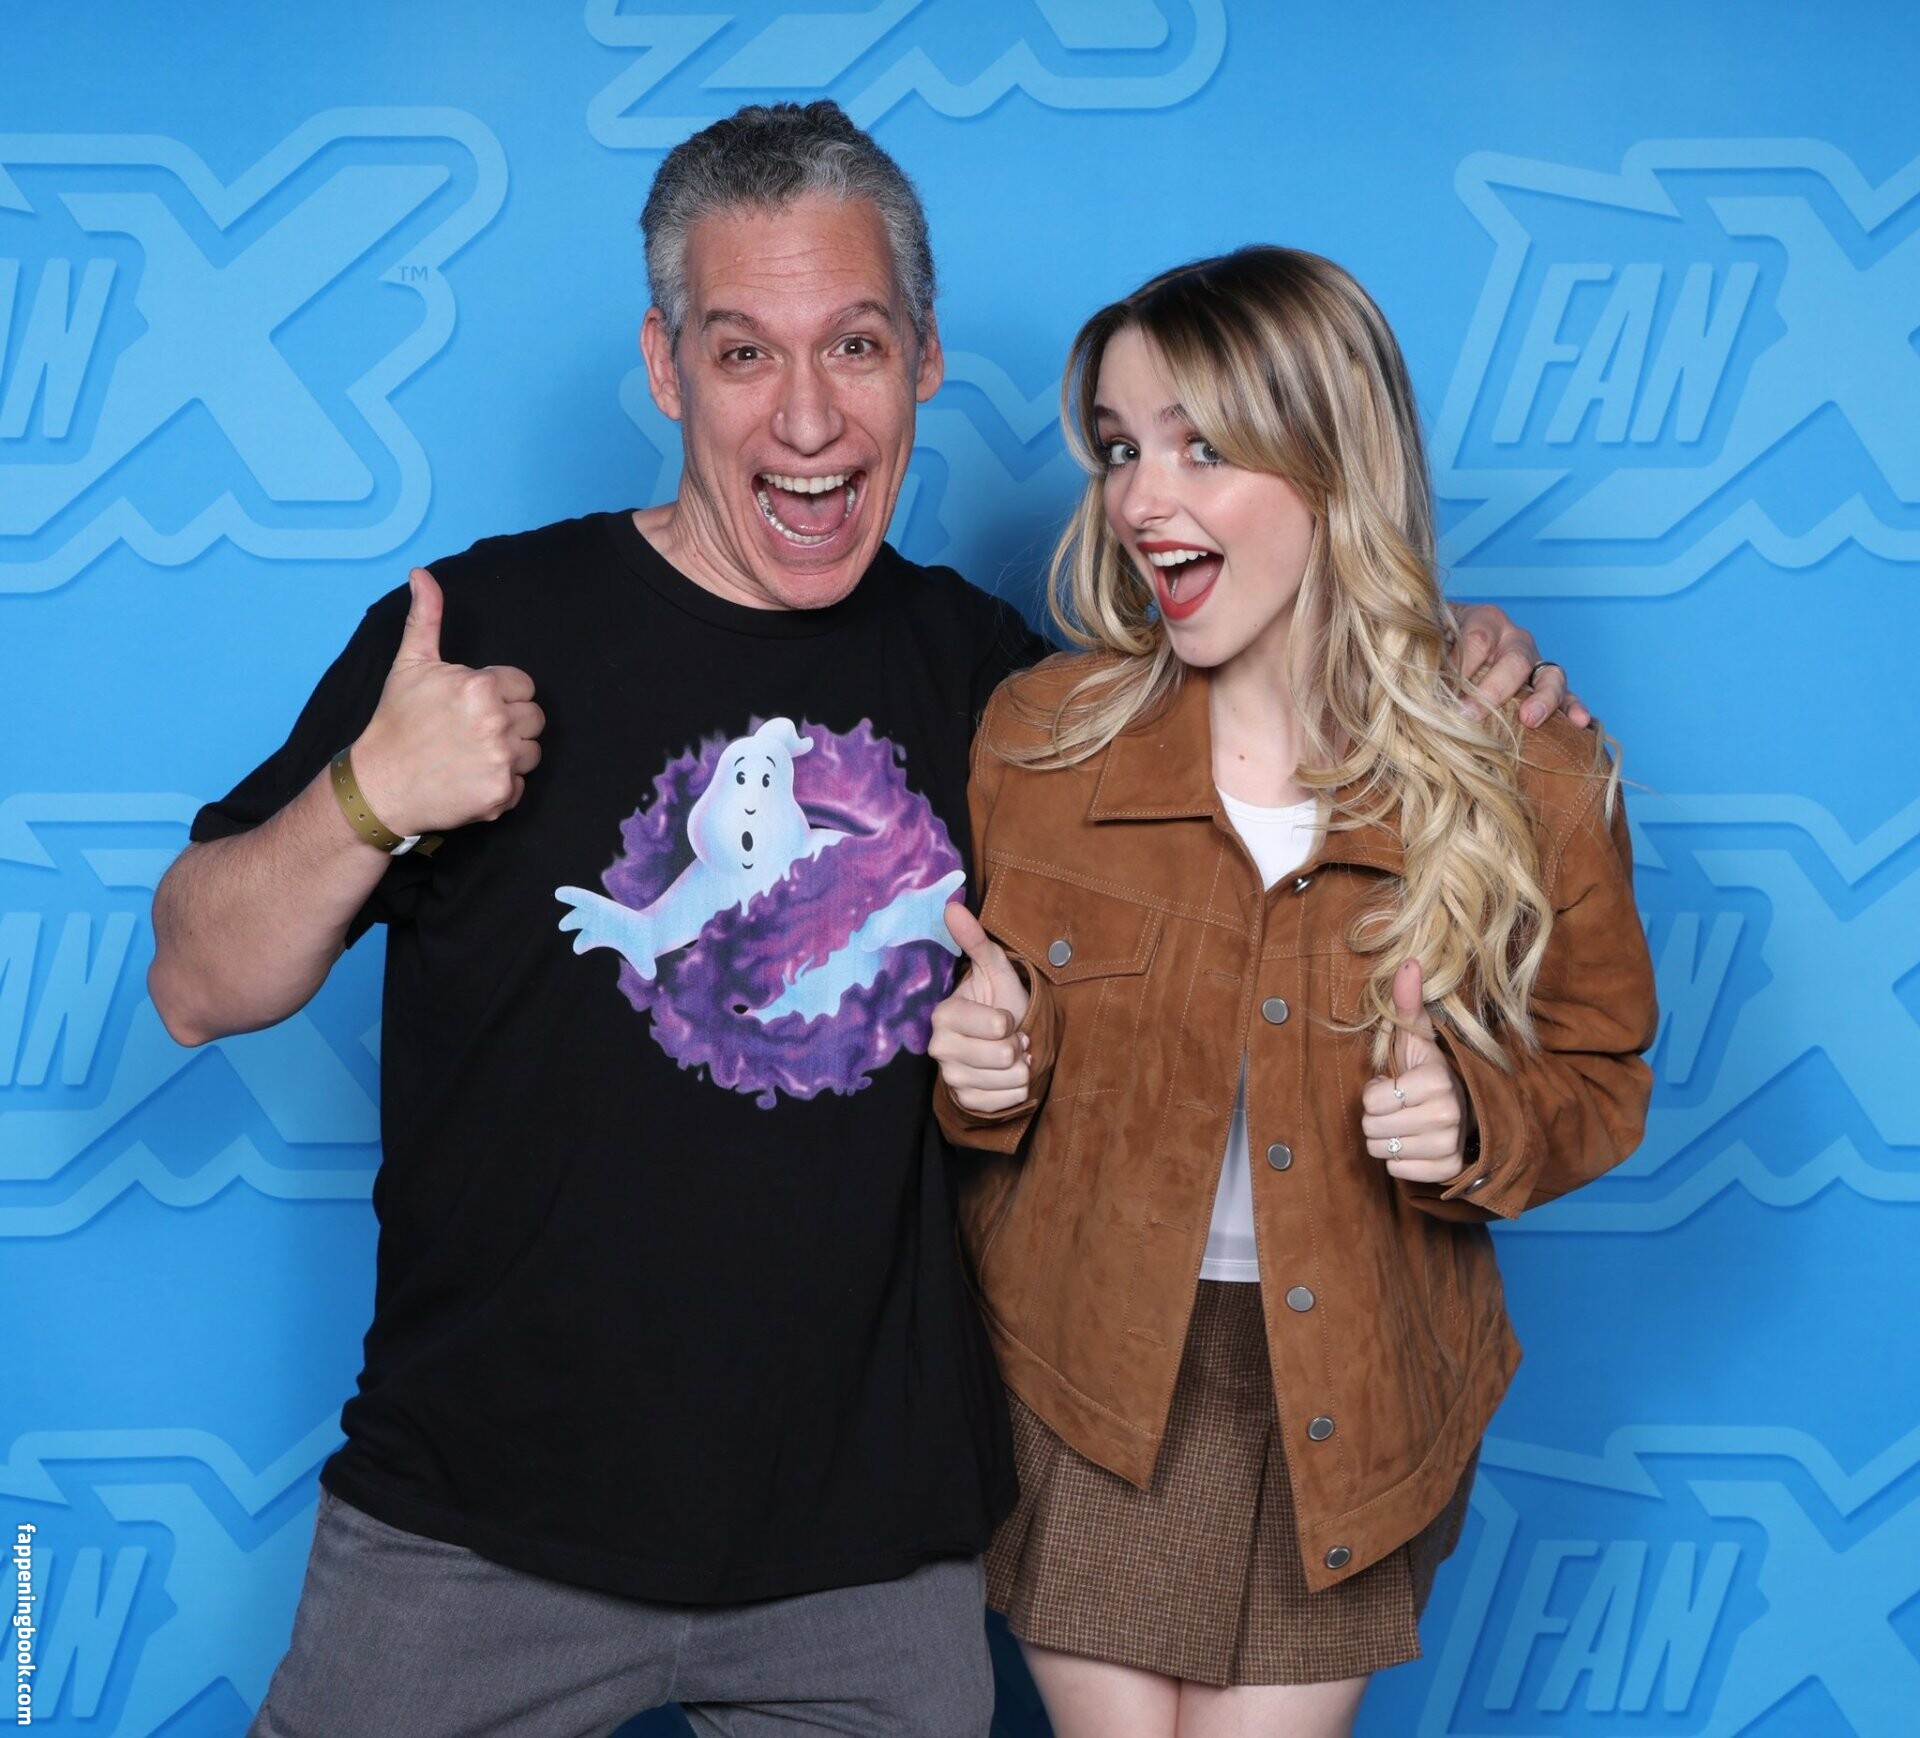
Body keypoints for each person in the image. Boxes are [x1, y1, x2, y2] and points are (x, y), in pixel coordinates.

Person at [147, 99, 1579, 1735]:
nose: (810, 415)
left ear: (925, 360)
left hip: (865, 1575)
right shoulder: (476, 630)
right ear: (665, 366)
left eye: (856, 344)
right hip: (471, 1534)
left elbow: (1279, 711)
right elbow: (197, 980)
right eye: (743, 353)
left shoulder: (1010, 699)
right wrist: (368, 795)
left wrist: (1449, 655)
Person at [929, 247, 1657, 1738]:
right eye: (1121, 449)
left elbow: (1600, 1065)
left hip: (1354, 1389)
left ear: (1334, 463)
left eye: (1201, 445)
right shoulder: (1037, 742)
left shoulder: (1529, 765)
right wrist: (982, 1073)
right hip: (1087, 1371)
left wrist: (1473, 1120)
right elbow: (995, 1055)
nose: (1142, 499)